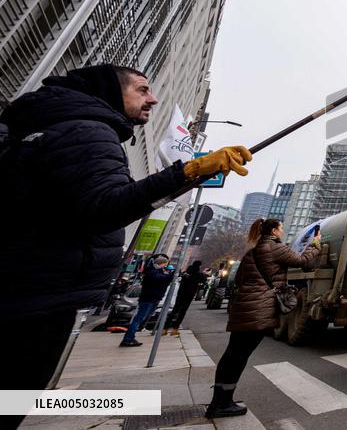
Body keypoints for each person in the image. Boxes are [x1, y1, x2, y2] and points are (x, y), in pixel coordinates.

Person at [0, 64, 253, 396]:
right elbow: (107, 206)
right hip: (35, 302)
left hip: (28, 290)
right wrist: (187, 171)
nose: (153, 98)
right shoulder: (87, 132)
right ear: (109, 92)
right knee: (15, 400)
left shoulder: (50, 126)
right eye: (142, 89)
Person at [206, 218, 320, 418]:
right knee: (239, 356)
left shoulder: (252, 252)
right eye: (281, 228)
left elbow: (239, 279)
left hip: (244, 307)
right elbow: (302, 261)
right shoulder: (276, 248)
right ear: (274, 231)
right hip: (260, 309)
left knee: (232, 354)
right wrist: (315, 244)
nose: (283, 231)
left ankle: (219, 400)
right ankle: (222, 404)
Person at [120, 255, 174, 346]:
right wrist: (171, 275)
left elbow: (163, 279)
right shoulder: (152, 271)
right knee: (139, 318)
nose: (165, 266)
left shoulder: (155, 271)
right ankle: (128, 338)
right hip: (149, 298)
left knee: (140, 318)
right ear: (160, 263)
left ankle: (130, 337)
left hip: (152, 297)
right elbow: (160, 279)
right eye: (164, 264)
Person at [164, 260, 208, 335]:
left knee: (175, 310)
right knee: (182, 311)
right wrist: (204, 274)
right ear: (199, 266)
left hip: (181, 293)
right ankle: (175, 329)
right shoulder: (198, 274)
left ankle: (165, 328)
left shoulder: (186, 273)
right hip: (189, 295)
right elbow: (203, 281)